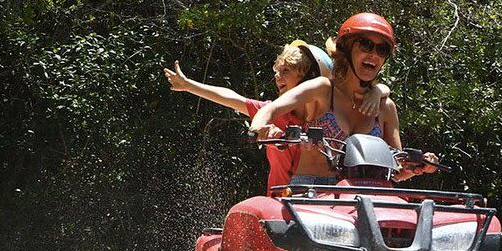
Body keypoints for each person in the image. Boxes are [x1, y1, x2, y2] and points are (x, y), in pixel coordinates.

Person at [164, 40, 390, 194]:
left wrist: (380, 90)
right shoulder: (276, 113)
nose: (277, 77)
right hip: (284, 199)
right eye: (277, 71)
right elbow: (232, 98)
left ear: (309, 77)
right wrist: (189, 86)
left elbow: (362, 94)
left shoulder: (327, 112)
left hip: (325, 196)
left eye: (286, 71)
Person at [249, 13, 439, 185]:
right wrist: (259, 129)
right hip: (312, 193)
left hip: (364, 197)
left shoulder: (385, 107)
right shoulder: (322, 89)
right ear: (347, 49)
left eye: (382, 50)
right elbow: (270, 110)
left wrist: (418, 167)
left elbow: (396, 170)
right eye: (366, 45)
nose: (374, 54)